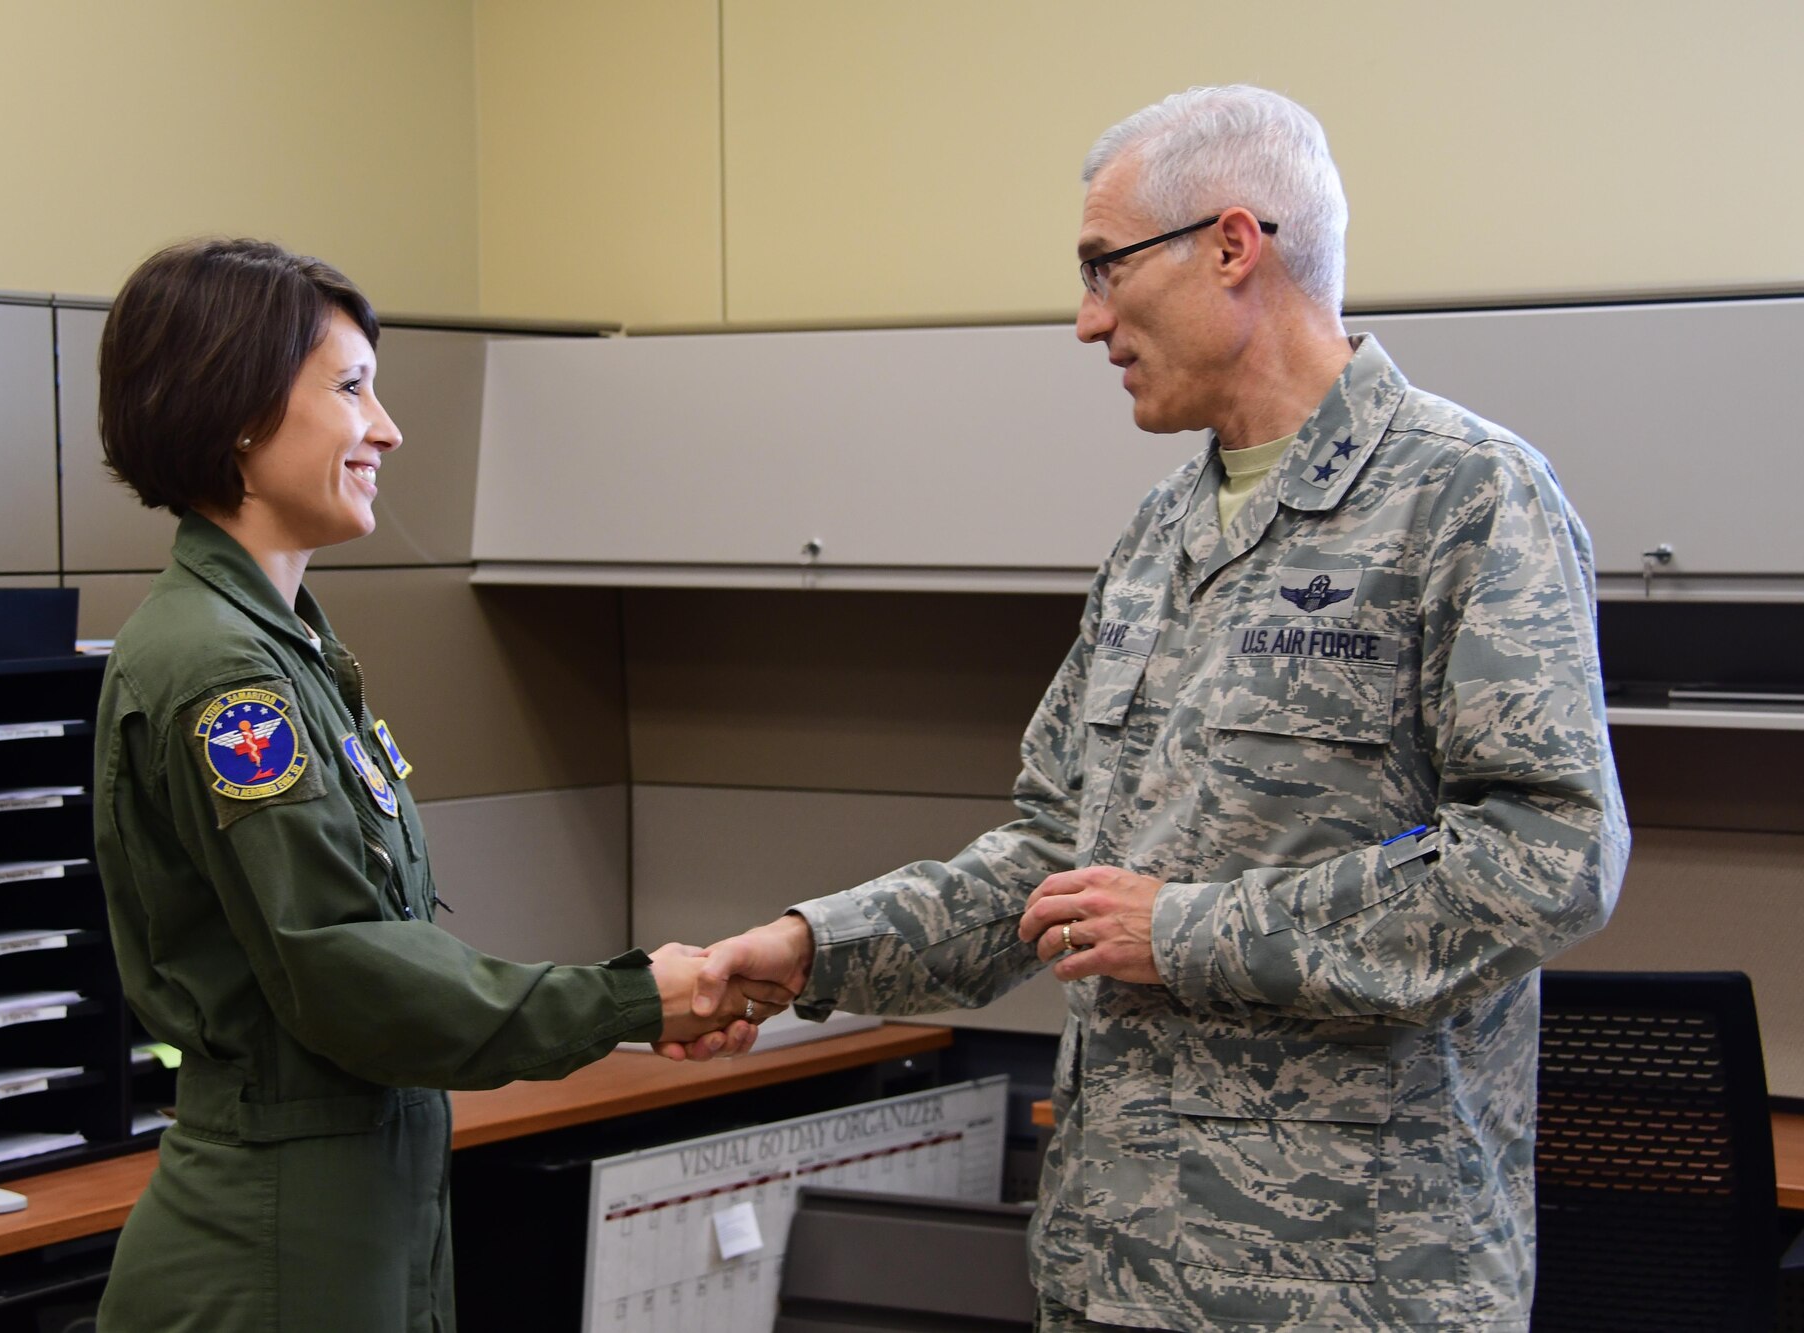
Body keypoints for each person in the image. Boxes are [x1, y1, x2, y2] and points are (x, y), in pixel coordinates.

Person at [669, 86, 1627, 1332]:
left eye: (1103, 267)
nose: (1085, 321)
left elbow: (1545, 852)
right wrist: (811, 949)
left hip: (1349, 1290)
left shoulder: (1465, 497)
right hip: (1113, 1271)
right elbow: (1052, 859)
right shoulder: (1158, 536)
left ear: (1233, 246)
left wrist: (1188, 932)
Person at [90, 238, 782, 1332]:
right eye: (352, 387)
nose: (386, 428)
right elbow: (351, 972)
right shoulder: (223, 672)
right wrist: (632, 998)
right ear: (237, 410)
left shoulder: (285, 648)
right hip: (276, 1239)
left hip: (363, 1201)